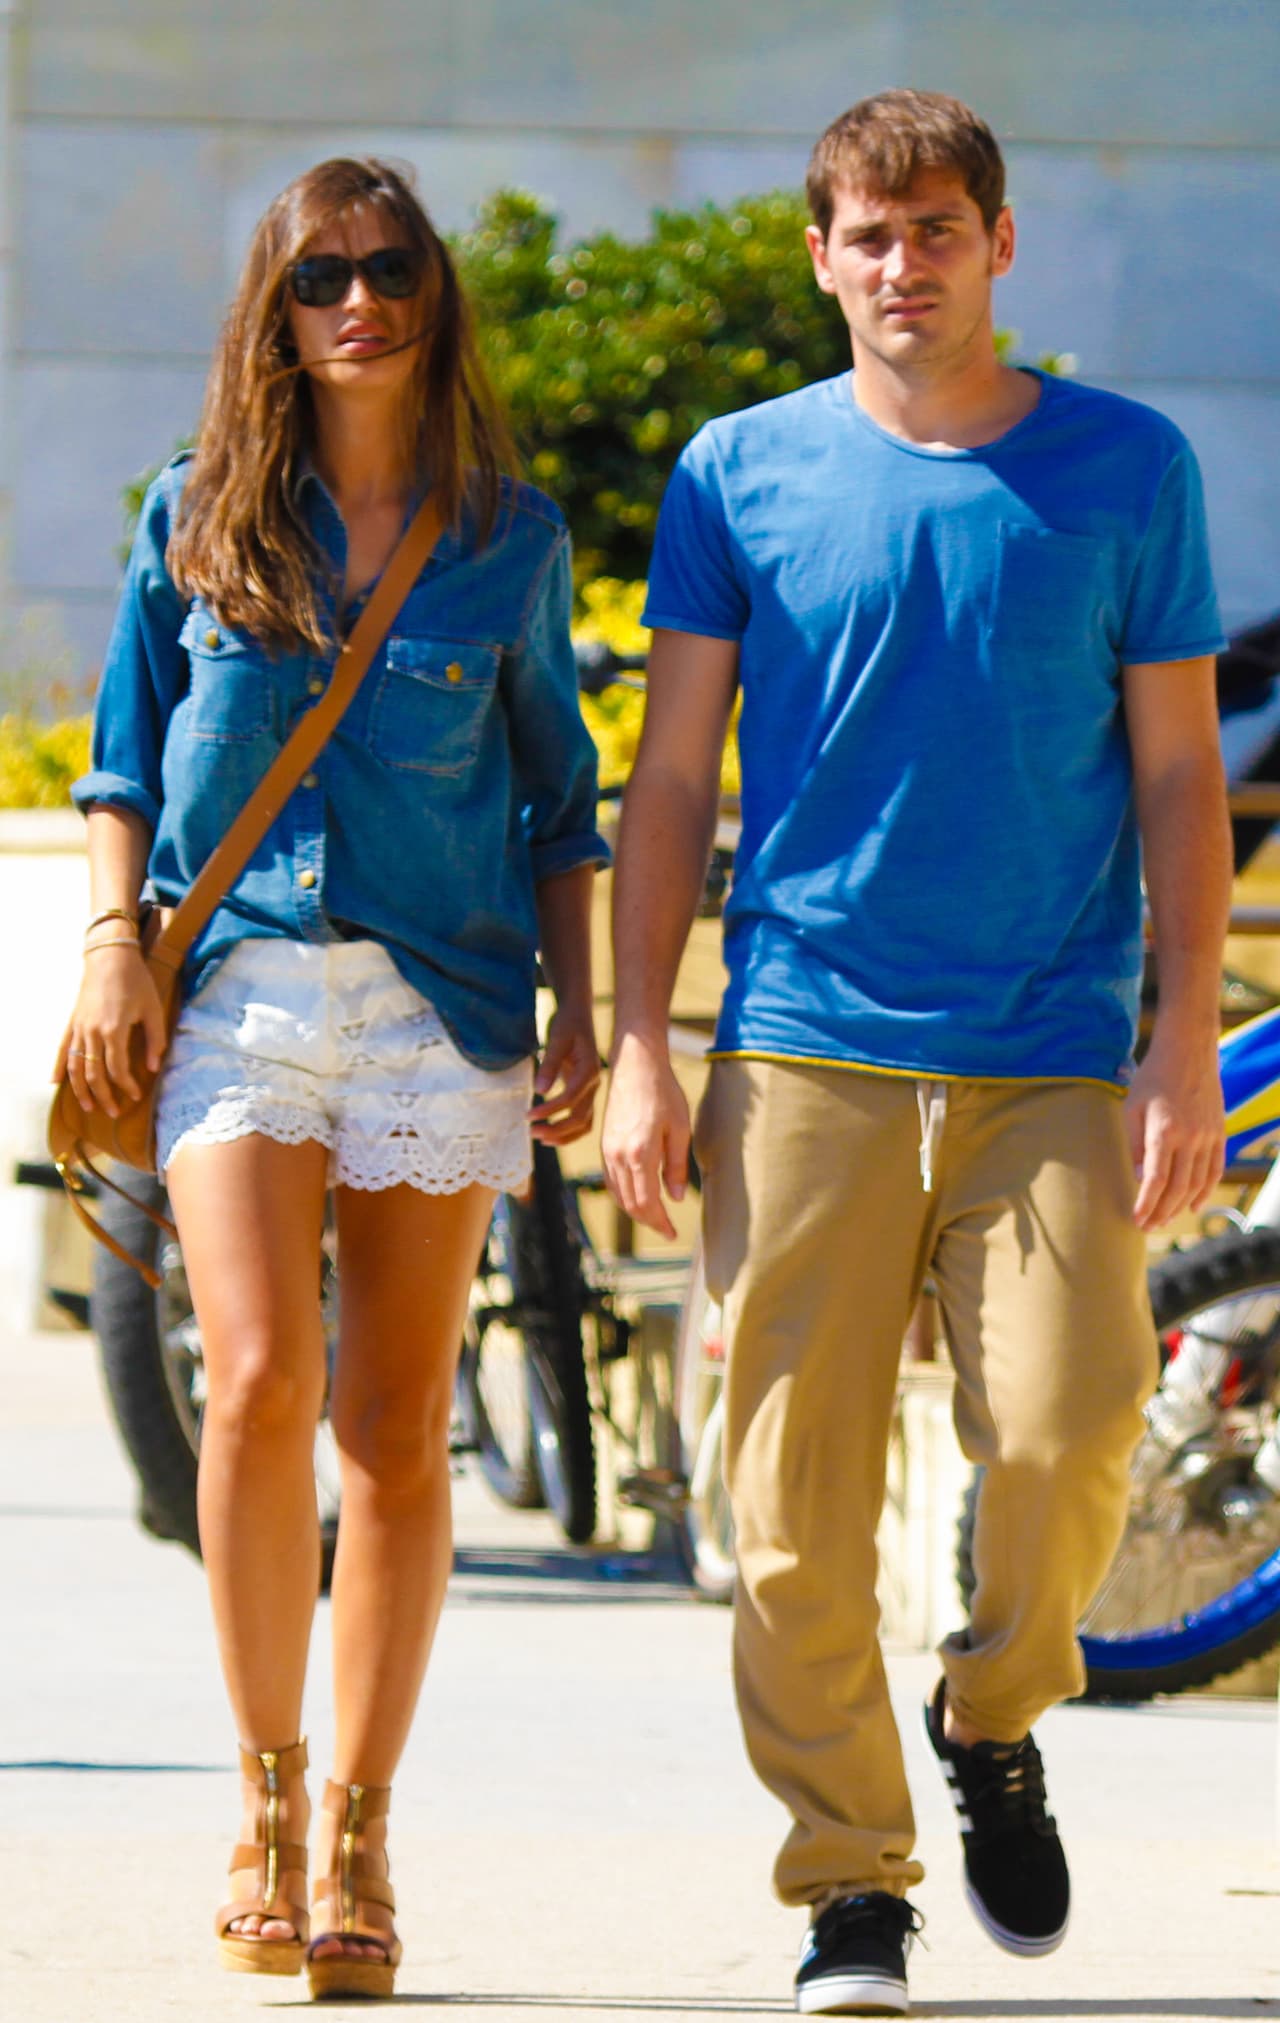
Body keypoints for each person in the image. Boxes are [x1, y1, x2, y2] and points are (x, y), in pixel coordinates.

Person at [602, 88, 1230, 2017]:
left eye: (937, 228)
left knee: (1065, 1427)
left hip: (1047, 1045)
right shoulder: (739, 472)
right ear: (822, 257)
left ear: (999, 246)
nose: (904, 265)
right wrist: (639, 1041)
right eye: (867, 236)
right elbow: (676, 778)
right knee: (785, 1509)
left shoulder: (1126, 469)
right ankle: (849, 1885)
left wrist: (1181, 1040)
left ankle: (993, 1709)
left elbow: (1184, 770)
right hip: (800, 1053)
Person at [59, 156, 607, 2001]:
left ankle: (364, 1836)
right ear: (274, 312)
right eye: (319, 277)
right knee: (257, 1388)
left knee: (391, 1431)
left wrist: (591, 1018)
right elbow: (120, 766)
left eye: (389, 270)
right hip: (235, 1000)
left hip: (442, 1008)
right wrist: (109, 944)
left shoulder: (508, 540)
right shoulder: (197, 517)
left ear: (432, 295)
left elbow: (560, 804)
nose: (357, 301)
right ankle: (263, 1805)